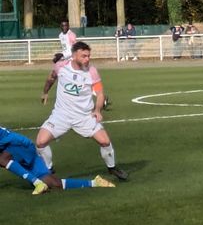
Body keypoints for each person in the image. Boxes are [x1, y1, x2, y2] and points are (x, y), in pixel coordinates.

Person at [37, 41, 129, 180]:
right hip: (61, 115)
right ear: (74, 56)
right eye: (84, 56)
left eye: (88, 56)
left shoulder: (91, 71)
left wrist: (98, 110)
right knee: (40, 142)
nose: (87, 59)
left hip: (84, 116)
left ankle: (112, 168)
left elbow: (100, 94)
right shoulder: (61, 66)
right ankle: (49, 170)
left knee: (105, 141)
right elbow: (51, 78)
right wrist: (45, 92)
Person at [1, 126, 115, 195]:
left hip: (18, 146)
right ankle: (95, 182)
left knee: (2, 159)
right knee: (54, 183)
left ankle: (38, 183)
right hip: (21, 148)